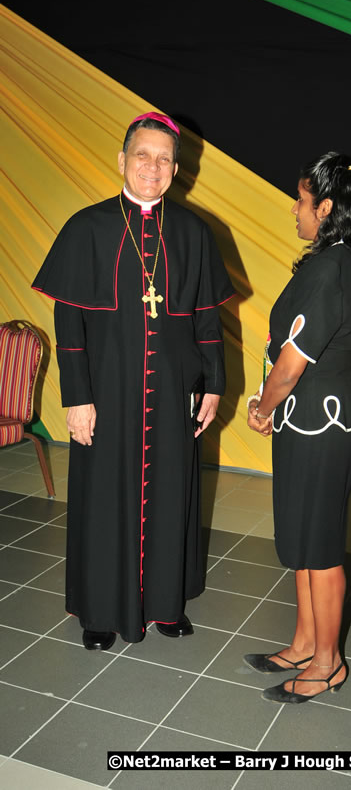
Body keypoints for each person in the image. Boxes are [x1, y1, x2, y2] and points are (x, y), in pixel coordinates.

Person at [32, 112, 234, 649]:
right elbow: (68, 320)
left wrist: (214, 383)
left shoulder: (193, 232)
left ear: (176, 170)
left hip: (172, 396)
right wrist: (77, 398)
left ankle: (166, 603)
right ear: (122, 160)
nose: (153, 166)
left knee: (172, 494)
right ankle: (100, 610)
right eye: (142, 155)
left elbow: (207, 318)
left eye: (164, 159)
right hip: (108, 395)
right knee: (103, 499)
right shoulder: (88, 227)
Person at [246, 152, 351, 703]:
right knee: (304, 533)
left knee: (321, 543)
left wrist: (263, 406)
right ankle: (305, 641)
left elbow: (293, 360)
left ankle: (329, 663)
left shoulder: (332, 268)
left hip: (322, 418)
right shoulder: (335, 261)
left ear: (325, 208)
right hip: (311, 417)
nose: (295, 209)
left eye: (301, 200)